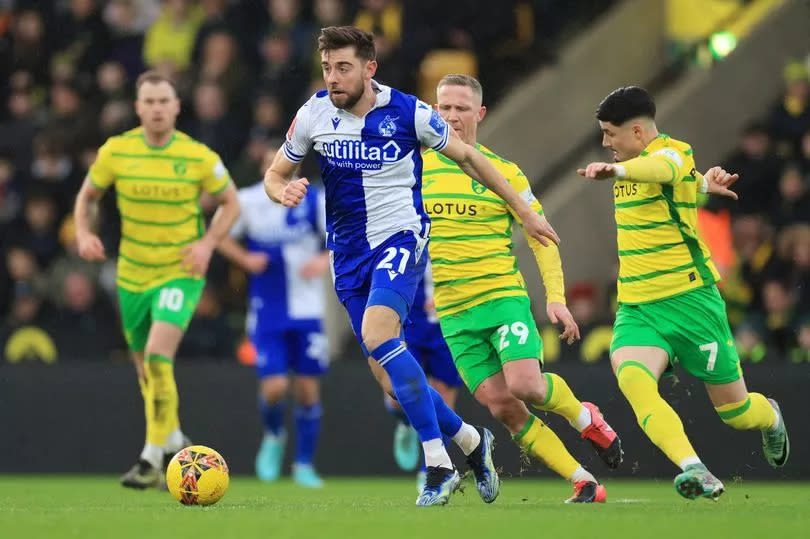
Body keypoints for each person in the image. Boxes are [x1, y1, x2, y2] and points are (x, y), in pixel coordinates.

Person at [264, 26, 558, 506]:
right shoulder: (314, 114)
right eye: (327, 69)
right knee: (390, 381)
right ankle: (469, 440)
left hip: (400, 240)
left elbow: (470, 158)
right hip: (349, 257)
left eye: (343, 68)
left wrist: (523, 211)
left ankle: (438, 465)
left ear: (369, 68)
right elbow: (276, 174)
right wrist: (284, 192)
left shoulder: (409, 113)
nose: (333, 78)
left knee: (382, 338)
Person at [577, 86, 789, 500]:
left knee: (737, 412)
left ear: (637, 132)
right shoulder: (637, 162)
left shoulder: (674, 152)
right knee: (634, 381)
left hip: (692, 304)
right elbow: (680, 184)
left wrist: (617, 171)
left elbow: (667, 171)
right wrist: (704, 188)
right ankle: (695, 468)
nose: (605, 143)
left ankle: (771, 418)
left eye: (610, 133)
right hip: (638, 307)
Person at [423, 74, 620, 504]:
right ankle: (582, 479)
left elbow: (541, 235)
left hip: (502, 300)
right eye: (443, 108)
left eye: (460, 108)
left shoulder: (504, 173)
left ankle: (585, 416)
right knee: (503, 408)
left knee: (526, 385)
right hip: (454, 314)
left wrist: (555, 297)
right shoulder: (417, 168)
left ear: (480, 113)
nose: (452, 116)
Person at [73, 70, 240, 489]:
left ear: (177, 106)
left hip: (179, 273)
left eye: (164, 101)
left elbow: (231, 202)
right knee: (145, 370)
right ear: (137, 107)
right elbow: (87, 197)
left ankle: (152, 457)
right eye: (149, 101)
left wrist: (206, 245)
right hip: (132, 273)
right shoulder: (117, 151)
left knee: (157, 356)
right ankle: (174, 438)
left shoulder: (198, 155)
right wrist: (83, 232)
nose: (157, 108)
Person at [218, 146, 330, 488]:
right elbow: (218, 235)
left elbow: (341, 239)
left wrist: (324, 261)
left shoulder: (316, 199)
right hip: (267, 309)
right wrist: (245, 260)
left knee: (308, 391)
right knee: (276, 387)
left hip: (308, 309)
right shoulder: (249, 200)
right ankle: (273, 433)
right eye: (270, 163)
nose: (278, 167)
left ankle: (303, 465)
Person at [384, 259, 464, 492]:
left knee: (444, 401)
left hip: (448, 324)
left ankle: (429, 470)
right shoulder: (410, 224)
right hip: (410, 321)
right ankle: (404, 423)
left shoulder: (457, 228)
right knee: (397, 394)